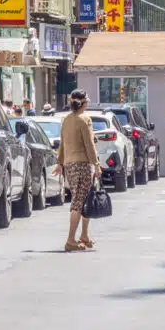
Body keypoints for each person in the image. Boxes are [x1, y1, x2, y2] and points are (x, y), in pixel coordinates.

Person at [52, 88, 101, 252]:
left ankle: (84, 236)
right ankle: (71, 239)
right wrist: (97, 164)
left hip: (70, 164)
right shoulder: (85, 119)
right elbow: (89, 144)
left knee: (83, 199)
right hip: (83, 164)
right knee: (79, 201)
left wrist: (60, 163)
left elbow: (63, 143)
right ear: (84, 103)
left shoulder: (66, 119)